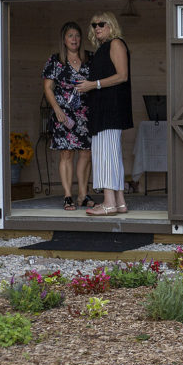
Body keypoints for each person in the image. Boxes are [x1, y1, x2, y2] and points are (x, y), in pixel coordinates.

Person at [76, 11, 132, 216]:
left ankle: (108, 203)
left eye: (102, 24)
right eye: (94, 25)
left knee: (106, 155)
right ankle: (119, 202)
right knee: (111, 155)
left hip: (110, 109)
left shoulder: (116, 43)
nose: (97, 27)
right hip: (102, 109)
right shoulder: (103, 47)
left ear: (111, 25)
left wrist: (93, 84)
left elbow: (122, 75)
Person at [42, 22, 94, 211]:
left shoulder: (90, 58)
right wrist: (56, 109)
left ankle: (83, 193)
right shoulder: (55, 60)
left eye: (77, 36)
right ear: (64, 39)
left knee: (86, 153)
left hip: (85, 113)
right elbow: (47, 87)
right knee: (66, 153)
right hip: (63, 114)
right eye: (70, 36)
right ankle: (67, 196)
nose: (74, 39)